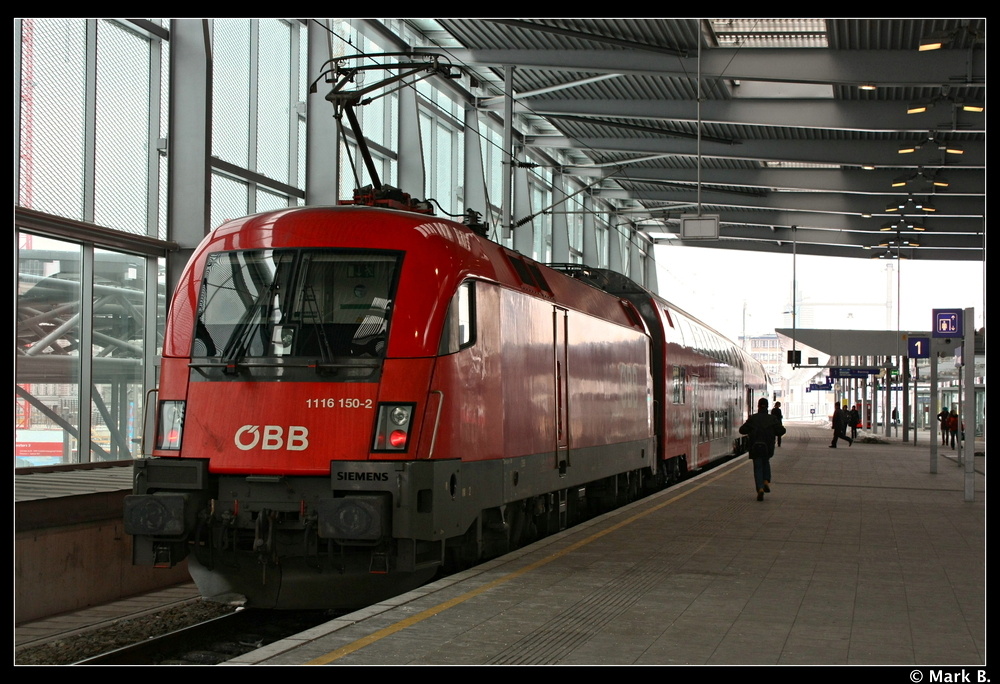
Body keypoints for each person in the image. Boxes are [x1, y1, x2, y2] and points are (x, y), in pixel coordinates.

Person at [740, 397, 785, 501]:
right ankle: (766, 481)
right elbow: (781, 431)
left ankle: (760, 488)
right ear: (767, 406)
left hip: (755, 447)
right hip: (767, 447)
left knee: (757, 467)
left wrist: (751, 429)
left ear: (758, 406)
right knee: (766, 462)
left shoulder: (753, 418)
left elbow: (742, 430)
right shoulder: (772, 419)